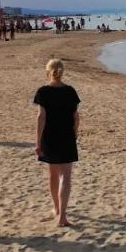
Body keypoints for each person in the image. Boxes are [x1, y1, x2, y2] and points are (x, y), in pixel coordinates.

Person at [34, 58, 80, 227]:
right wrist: (74, 134)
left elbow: (41, 117)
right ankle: (63, 216)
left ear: (48, 72)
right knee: (66, 176)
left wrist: (37, 141)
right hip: (66, 136)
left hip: (50, 137)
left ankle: (57, 209)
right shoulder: (70, 91)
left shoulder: (43, 92)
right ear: (62, 72)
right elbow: (76, 117)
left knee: (53, 175)